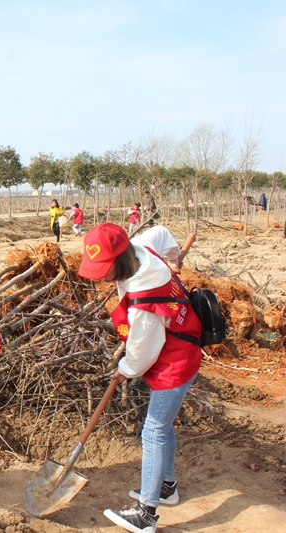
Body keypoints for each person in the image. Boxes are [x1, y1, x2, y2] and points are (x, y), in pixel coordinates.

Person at [78, 224, 202, 533]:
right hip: (182, 345)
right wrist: (174, 258)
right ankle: (166, 486)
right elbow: (161, 232)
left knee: (154, 430)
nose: (102, 276)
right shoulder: (140, 246)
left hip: (175, 362)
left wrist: (126, 369)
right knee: (162, 425)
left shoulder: (144, 296)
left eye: (105, 269)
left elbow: (144, 351)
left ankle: (146, 513)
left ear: (120, 259)